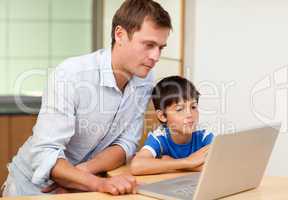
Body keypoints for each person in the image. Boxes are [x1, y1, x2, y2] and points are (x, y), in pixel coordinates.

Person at [1, 0, 172, 196]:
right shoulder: (71, 74)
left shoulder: (145, 78)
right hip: (33, 189)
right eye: (149, 45)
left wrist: (82, 174)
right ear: (120, 35)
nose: (156, 56)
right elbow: (45, 153)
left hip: (82, 186)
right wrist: (97, 184)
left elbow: (127, 143)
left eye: (161, 47)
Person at [130, 76, 214, 175]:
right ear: (162, 116)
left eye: (193, 107)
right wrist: (188, 162)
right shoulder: (160, 137)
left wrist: (167, 163)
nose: (190, 114)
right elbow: (136, 166)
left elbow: (214, 166)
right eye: (179, 109)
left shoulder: (204, 135)